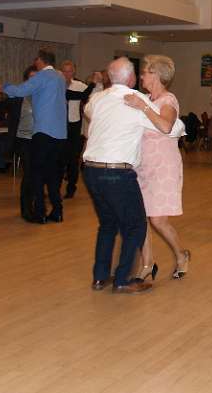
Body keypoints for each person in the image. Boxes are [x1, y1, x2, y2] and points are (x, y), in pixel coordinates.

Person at [83, 57, 182, 294]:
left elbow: (88, 111)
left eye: (145, 72)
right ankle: (123, 279)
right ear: (129, 78)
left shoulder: (99, 98)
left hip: (91, 170)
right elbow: (171, 127)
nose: (141, 77)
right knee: (136, 225)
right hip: (118, 172)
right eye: (139, 73)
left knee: (108, 225)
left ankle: (100, 277)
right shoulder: (135, 100)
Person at [123, 55, 190, 282]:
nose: (141, 76)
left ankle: (181, 255)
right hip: (141, 165)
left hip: (163, 166)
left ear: (157, 75)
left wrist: (142, 107)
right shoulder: (144, 99)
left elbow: (166, 125)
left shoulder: (168, 100)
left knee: (158, 219)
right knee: (140, 217)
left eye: (145, 72)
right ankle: (147, 263)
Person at [0, 49, 67, 224]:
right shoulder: (60, 77)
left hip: (44, 131)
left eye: (36, 59)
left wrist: (2, 87)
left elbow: (21, 90)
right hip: (60, 134)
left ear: (41, 60)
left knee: (36, 173)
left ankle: (40, 212)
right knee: (52, 174)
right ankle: (57, 211)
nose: (35, 62)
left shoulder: (43, 76)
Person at [6, 65, 38, 222]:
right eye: (31, 78)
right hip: (23, 139)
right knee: (29, 173)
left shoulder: (43, 96)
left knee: (36, 174)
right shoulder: (19, 96)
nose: (34, 80)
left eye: (36, 77)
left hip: (39, 139)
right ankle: (26, 209)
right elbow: (2, 103)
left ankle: (35, 205)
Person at [62, 60, 94, 199]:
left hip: (74, 125)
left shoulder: (79, 85)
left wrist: (95, 83)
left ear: (74, 72)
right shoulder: (57, 85)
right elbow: (78, 95)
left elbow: (91, 95)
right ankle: (55, 186)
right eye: (64, 71)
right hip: (59, 125)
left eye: (69, 71)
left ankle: (71, 188)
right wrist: (92, 84)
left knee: (73, 159)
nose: (67, 74)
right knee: (59, 158)